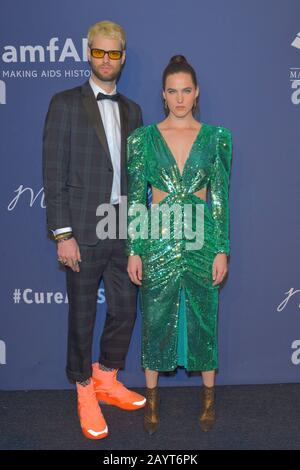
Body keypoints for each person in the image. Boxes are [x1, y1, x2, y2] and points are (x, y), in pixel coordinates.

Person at [43, 20, 145, 440]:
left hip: (123, 225)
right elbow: (53, 171)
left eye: (114, 53)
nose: (106, 60)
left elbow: (137, 176)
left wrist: (140, 231)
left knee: (124, 309)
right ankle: (84, 389)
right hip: (82, 229)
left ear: (122, 57)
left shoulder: (133, 109)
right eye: (99, 52)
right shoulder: (65, 103)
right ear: (89, 54)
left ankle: (106, 376)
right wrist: (62, 233)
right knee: (82, 315)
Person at [127, 55, 232, 434]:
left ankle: (208, 399)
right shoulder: (142, 140)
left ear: (197, 92)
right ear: (163, 95)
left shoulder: (217, 138)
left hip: (203, 240)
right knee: (155, 318)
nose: (180, 98)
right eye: (173, 91)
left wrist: (222, 248)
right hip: (157, 241)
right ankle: (151, 400)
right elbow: (138, 198)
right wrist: (134, 249)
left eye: (186, 90)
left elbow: (219, 196)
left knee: (206, 317)